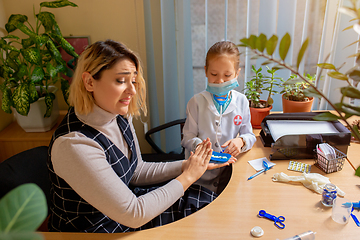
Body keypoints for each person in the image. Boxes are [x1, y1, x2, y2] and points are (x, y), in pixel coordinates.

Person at [47, 40, 235, 233]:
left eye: (133, 81)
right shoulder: (74, 145)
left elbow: (136, 170)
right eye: (121, 81)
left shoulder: (118, 114)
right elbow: (134, 214)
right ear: (89, 82)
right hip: (96, 230)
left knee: (203, 202)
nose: (132, 91)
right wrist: (188, 176)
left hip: (126, 208)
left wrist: (187, 165)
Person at [181, 41, 256, 194]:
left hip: (228, 173)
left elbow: (250, 135)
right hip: (198, 175)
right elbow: (187, 137)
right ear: (206, 71)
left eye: (227, 75)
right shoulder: (196, 102)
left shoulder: (241, 101)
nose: (220, 81)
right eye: (214, 74)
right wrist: (199, 146)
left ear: (237, 74)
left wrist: (240, 141)